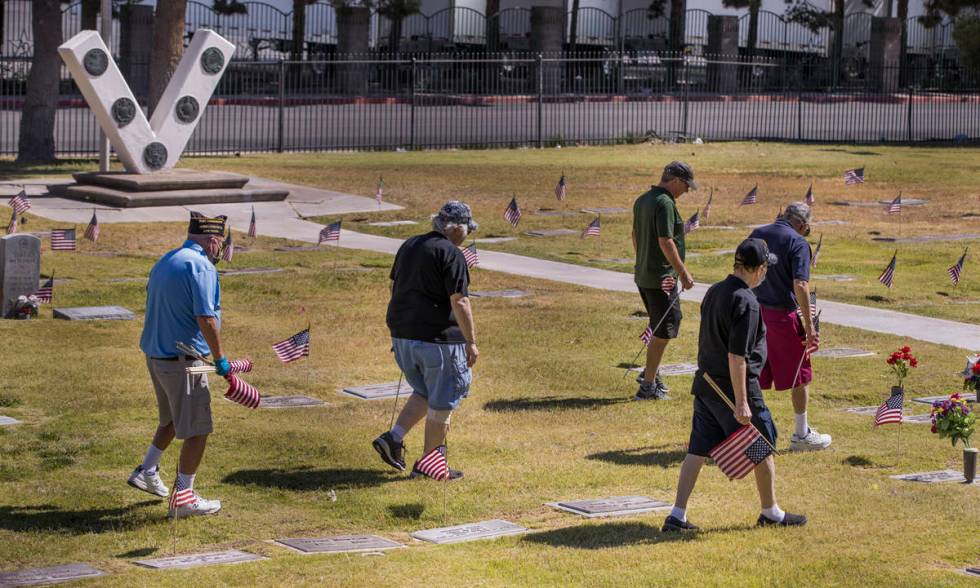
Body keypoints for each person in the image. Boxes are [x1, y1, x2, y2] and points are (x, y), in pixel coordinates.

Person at [663, 239, 807, 532]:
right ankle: (771, 512)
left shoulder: (715, 291)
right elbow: (737, 355)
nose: (766, 273)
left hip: (706, 385)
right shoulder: (747, 302)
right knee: (763, 444)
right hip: (734, 389)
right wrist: (742, 402)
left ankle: (676, 515)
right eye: (766, 268)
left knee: (698, 449)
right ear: (758, 269)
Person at [128, 212, 234, 518]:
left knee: (172, 420)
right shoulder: (201, 266)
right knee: (198, 429)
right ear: (213, 241)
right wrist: (220, 359)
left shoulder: (168, 259)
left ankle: (146, 470)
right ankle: (184, 498)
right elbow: (205, 317)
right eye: (220, 244)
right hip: (182, 361)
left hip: (156, 355)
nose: (220, 251)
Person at [373, 201, 479, 480]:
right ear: (456, 228)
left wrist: (403, 328)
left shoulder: (410, 245)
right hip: (439, 341)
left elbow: (393, 287)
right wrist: (471, 341)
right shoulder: (451, 254)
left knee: (426, 391)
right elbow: (461, 300)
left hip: (403, 336)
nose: (469, 234)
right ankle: (430, 467)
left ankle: (393, 439)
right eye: (468, 228)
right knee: (443, 401)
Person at [748, 202, 830, 451]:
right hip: (782, 315)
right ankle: (801, 434)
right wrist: (809, 325)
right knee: (800, 375)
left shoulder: (757, 234)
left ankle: (746, 430)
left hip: (754, 311)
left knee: (750, 372)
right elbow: (801, 285)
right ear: (803, 225)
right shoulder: (798, 243)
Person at [631, 161, 697, 400]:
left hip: (644, 275)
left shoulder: (643, 200)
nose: (686, 191)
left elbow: (635, 236)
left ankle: (651, 373)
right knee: (666, 328)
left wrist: (643, 262)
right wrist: (683, 273)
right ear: (676, 181)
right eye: (686, 186)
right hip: (662, 279)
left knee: (660, 325)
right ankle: (648, 385)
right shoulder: (665, 203)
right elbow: (666, 241)